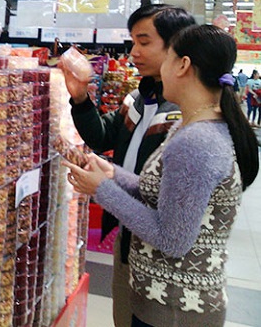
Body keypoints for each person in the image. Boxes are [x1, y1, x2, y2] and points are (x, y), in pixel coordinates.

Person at [64, 24, 259, 327]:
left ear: (182, 65)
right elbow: (165, 195)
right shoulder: (191, 127)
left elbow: (172, 238)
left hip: (175, 308)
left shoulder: (197, 141)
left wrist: (102, 190)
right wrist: (113, 174)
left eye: (167, 58)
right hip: (165, 301)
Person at [62, 4, 196, 327]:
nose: (134, 51)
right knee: (124, 315)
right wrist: (80, 98)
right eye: (132, 41)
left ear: (177, 47)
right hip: (128, 236)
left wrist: (105, 187)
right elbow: (102, 135)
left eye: (144, 42)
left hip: (162, 256)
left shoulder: (188, 114)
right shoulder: (137, 98)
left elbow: (172, 211)